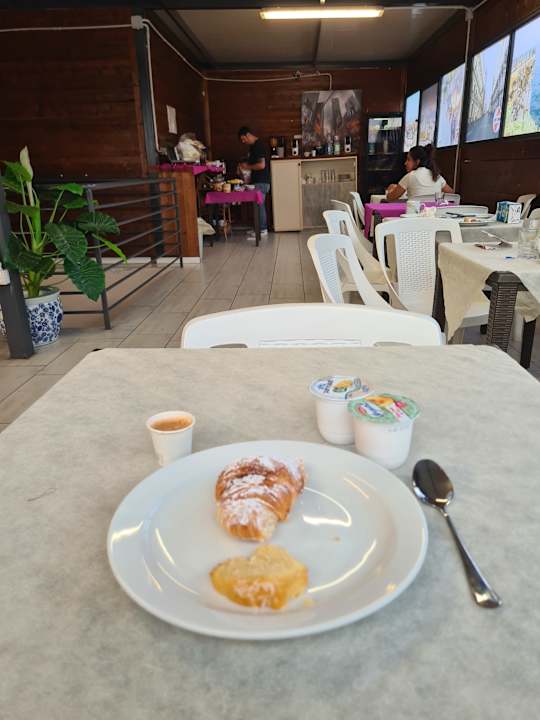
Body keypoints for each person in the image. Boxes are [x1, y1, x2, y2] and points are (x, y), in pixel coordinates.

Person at [386, 144, 454, 201]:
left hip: (415, 212)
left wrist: (390, 190)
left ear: (417, 162)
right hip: (434, 212)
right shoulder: (436, 176)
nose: (405, 163)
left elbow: (390, 198)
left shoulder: (410, 176)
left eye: (408, 159)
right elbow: (452, 194)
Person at [238, 126, 270, 237]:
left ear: (248, 135)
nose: (243, 142)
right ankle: (258, 228)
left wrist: (247, 167)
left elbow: (261, 165)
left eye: (243, 139)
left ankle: (262, 229)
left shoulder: (259, 146)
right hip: (258, 181)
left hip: (262, 181)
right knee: (257, 205)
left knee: (259, 205)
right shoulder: (253, 147)